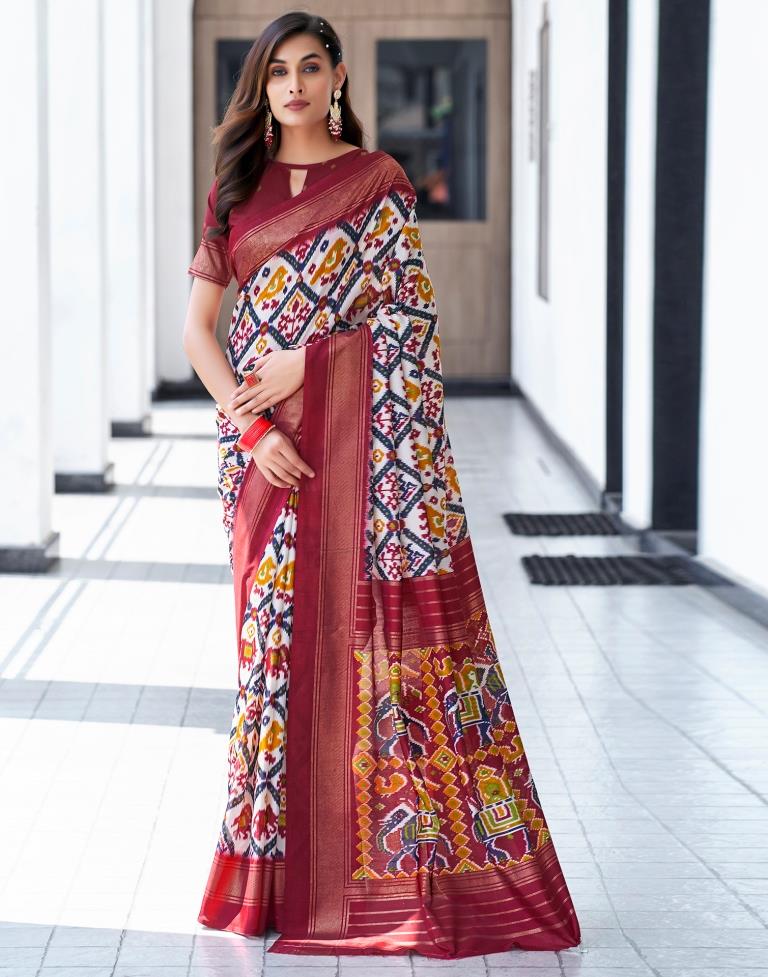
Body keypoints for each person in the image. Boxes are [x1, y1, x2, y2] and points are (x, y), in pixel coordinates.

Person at [182, 9, 581, 960]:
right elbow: (200, 329)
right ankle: (273, 888)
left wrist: (310, 365)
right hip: (266, 464)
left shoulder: (378, 184)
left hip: (365, 460)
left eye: (309, 68)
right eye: (276, 71)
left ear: (338, 76)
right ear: (260, 88)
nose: (293, 86)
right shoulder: (234, 188)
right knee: (273, 668)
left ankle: (390, 886)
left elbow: (412, 327)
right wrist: (249, 419)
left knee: (373, 663)